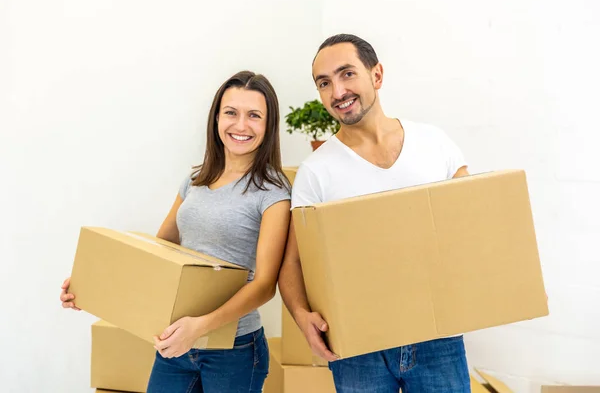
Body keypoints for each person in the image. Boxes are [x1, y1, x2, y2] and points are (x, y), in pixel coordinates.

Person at [60, 70, 292, 393]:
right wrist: (95, 287)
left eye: (254, 115)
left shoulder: (273, 191)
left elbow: (265, 285)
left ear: (268, 126)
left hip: (234, 349)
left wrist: (199, 327)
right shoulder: (196, 180)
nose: (241, 125)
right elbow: (159, 252)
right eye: (231, 113)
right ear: (216, 119)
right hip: (176, 343)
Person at [278, 34, 471, 393]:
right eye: (324, 83)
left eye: (347, 74)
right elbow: (293, 263)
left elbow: (472, 232)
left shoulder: (436, 145)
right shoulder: (316, 171)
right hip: (358, 344)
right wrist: (301, 316)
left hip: (438, 336)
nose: (337, 91)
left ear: (377, 75)